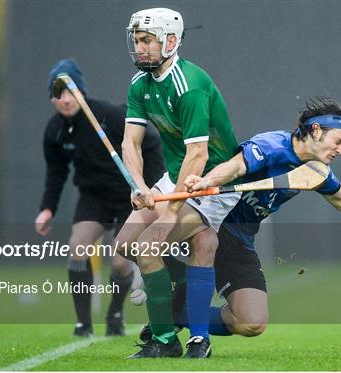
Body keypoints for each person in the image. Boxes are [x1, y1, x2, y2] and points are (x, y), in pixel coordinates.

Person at [165, 96, 341, 337]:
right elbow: (237, 165)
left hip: (240, 239)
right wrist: (207, 180)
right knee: (142, 246)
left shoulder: (315, 170)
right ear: (316, 130)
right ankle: (169, 317)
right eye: (338, 142)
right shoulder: (272, 145)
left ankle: (176, 315)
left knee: (251, 322)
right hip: (210, 223)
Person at [115, 8, 240, 358]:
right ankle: (183, 284)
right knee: (125, 245)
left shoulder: (190, 85)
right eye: (136, 41)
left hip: (210, 180)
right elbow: (130, 144)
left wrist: (169, 212)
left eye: (146, 41)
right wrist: (138, 185)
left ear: (170, 41)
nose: (139, 48)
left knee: (149, 248)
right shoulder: (140, 85)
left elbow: (199, 154)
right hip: (177, 175)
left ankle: (165, 340)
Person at [34, 58, 164, 337]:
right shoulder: (54, 131)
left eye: (71, 92)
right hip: (93, 196)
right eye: (58, 95)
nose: (65, 100)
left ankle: (115, 312)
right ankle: (83, 323)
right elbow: (56, 173)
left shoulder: (108, 115)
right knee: (77, 247)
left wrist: (152, 187)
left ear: (81, 92)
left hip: (128, 196)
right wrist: (47, 209)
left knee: (119, 261)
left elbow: (150, 141)